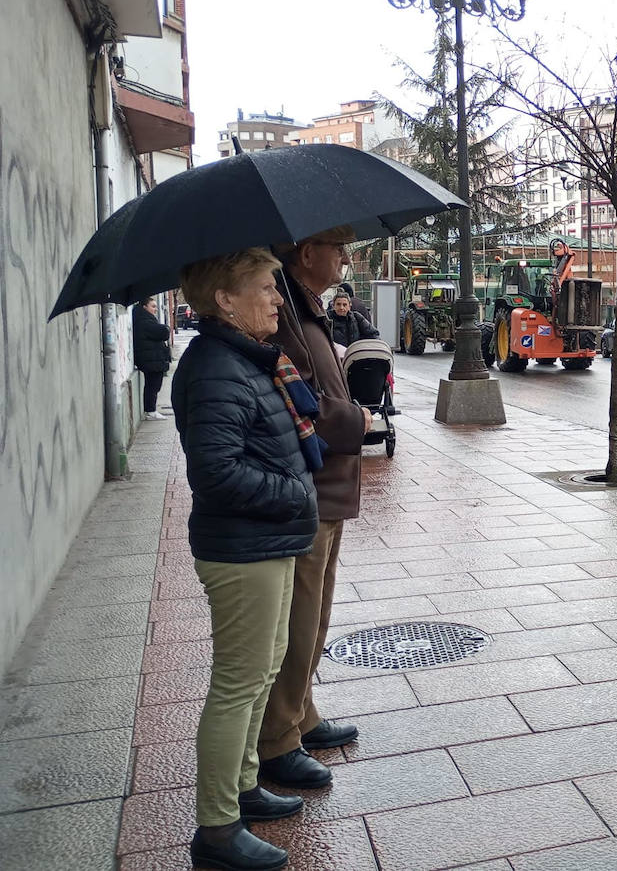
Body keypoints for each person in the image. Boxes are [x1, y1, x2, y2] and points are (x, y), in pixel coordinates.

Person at [172, 247, 323, 871]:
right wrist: (297, 494)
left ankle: (242, 786)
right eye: (266, 287)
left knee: (261, 673)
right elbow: (216, 473)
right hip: (243, 549)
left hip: (269, 540)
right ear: (225, 300)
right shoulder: (213, 367)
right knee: (237, 684)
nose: (278, 298)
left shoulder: (246, 358)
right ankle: (216, 828)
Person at [257, 226, 369, 789]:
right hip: (314, 481)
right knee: (301, 615)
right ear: (307, 254)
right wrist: (358, 421)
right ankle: (278, 736)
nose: (346, 259)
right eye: (339, 249)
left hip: (330, 481)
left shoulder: (309, 312)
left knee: (318, 607)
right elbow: (300, 402)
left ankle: (302, 712)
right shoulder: (288, 317)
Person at [133, 296, 172, 420]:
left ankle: (151, 410)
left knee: (153, 385)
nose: (155, 309)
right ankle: (151, 411)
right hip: (151, 359)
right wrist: (166, 328)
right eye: (153, 306)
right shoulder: (144, 321)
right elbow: (163, 332)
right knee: (153, 385)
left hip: (151, 358)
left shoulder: (143, 319)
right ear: (145, 307)